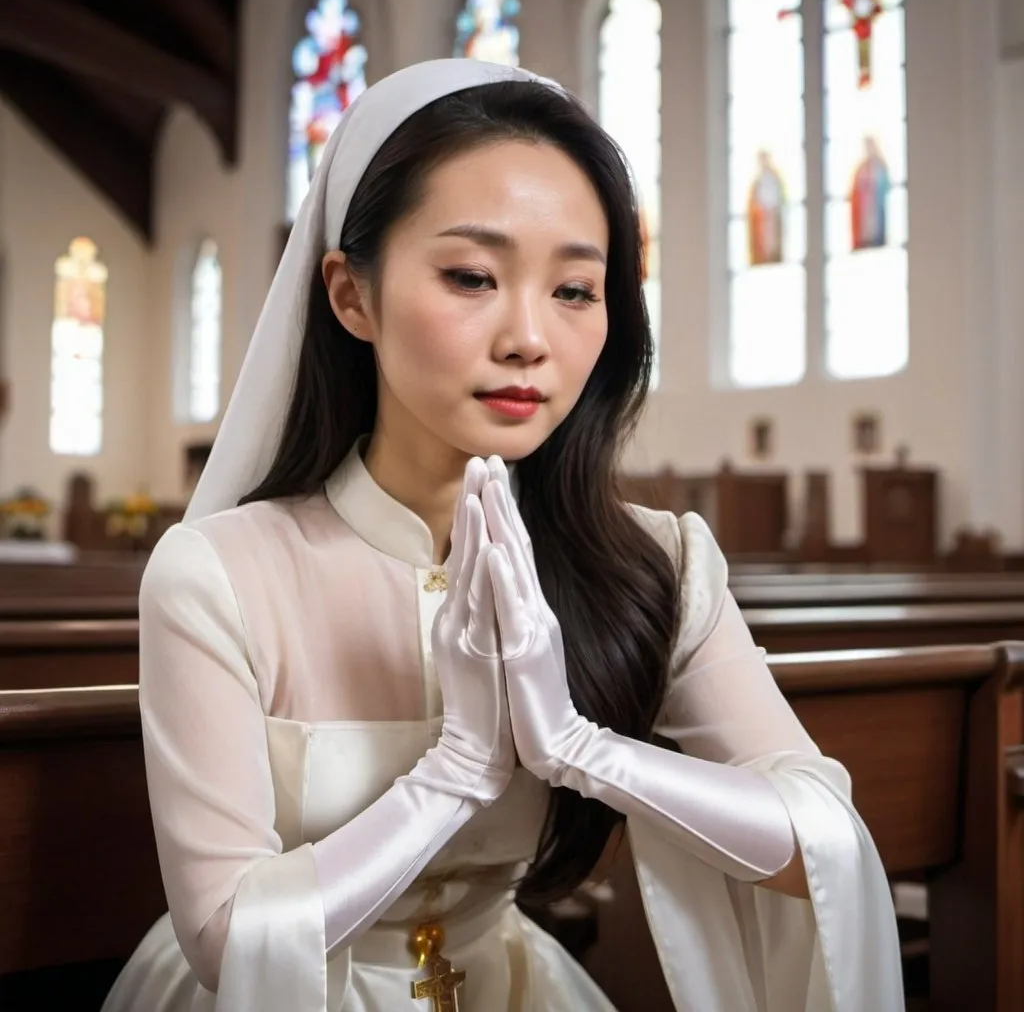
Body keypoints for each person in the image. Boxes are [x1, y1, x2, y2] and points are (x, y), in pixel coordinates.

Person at [102, 58, 903, 1012]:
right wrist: (454, 778)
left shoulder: (660, 563)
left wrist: (580, 748)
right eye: (473, 276)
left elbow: (820, 843)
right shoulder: (219, 576)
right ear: (351, 295)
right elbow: (227, 938)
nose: (529, 336)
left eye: (574, 289)